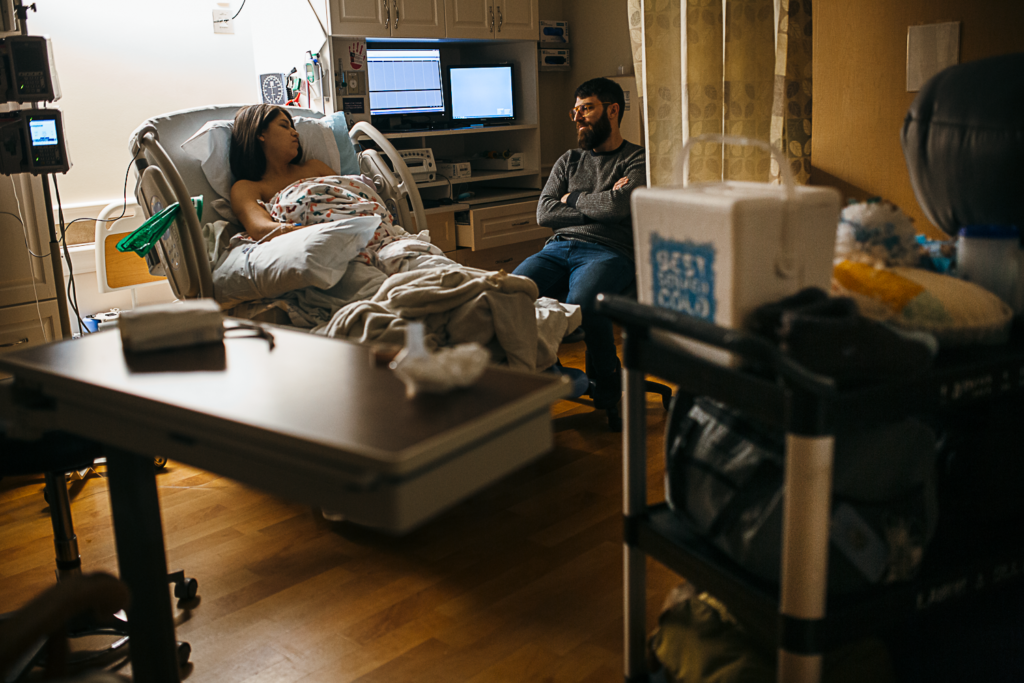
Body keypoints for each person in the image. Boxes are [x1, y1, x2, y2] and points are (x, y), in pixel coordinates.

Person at [513, 77, 646, 409]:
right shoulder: (568, 160)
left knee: (585, 303)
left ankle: (607, 376)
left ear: (613, 111)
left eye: (586, 108)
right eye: (575, 110)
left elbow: (619, 207)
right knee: (511, 295)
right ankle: (551, 373)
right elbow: (545, 212)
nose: (577, 117)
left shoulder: (637, 160)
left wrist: (572, 198)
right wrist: (599, 205)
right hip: (558, 246)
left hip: (610, 251)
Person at [229, 104, 336, 241]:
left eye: (292, 127)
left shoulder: (316, 168)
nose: (295, 133)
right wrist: (329, 231)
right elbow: (261, 229)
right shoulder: (246, 188)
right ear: (260, 133)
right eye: (284, 126)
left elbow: (351, 196)